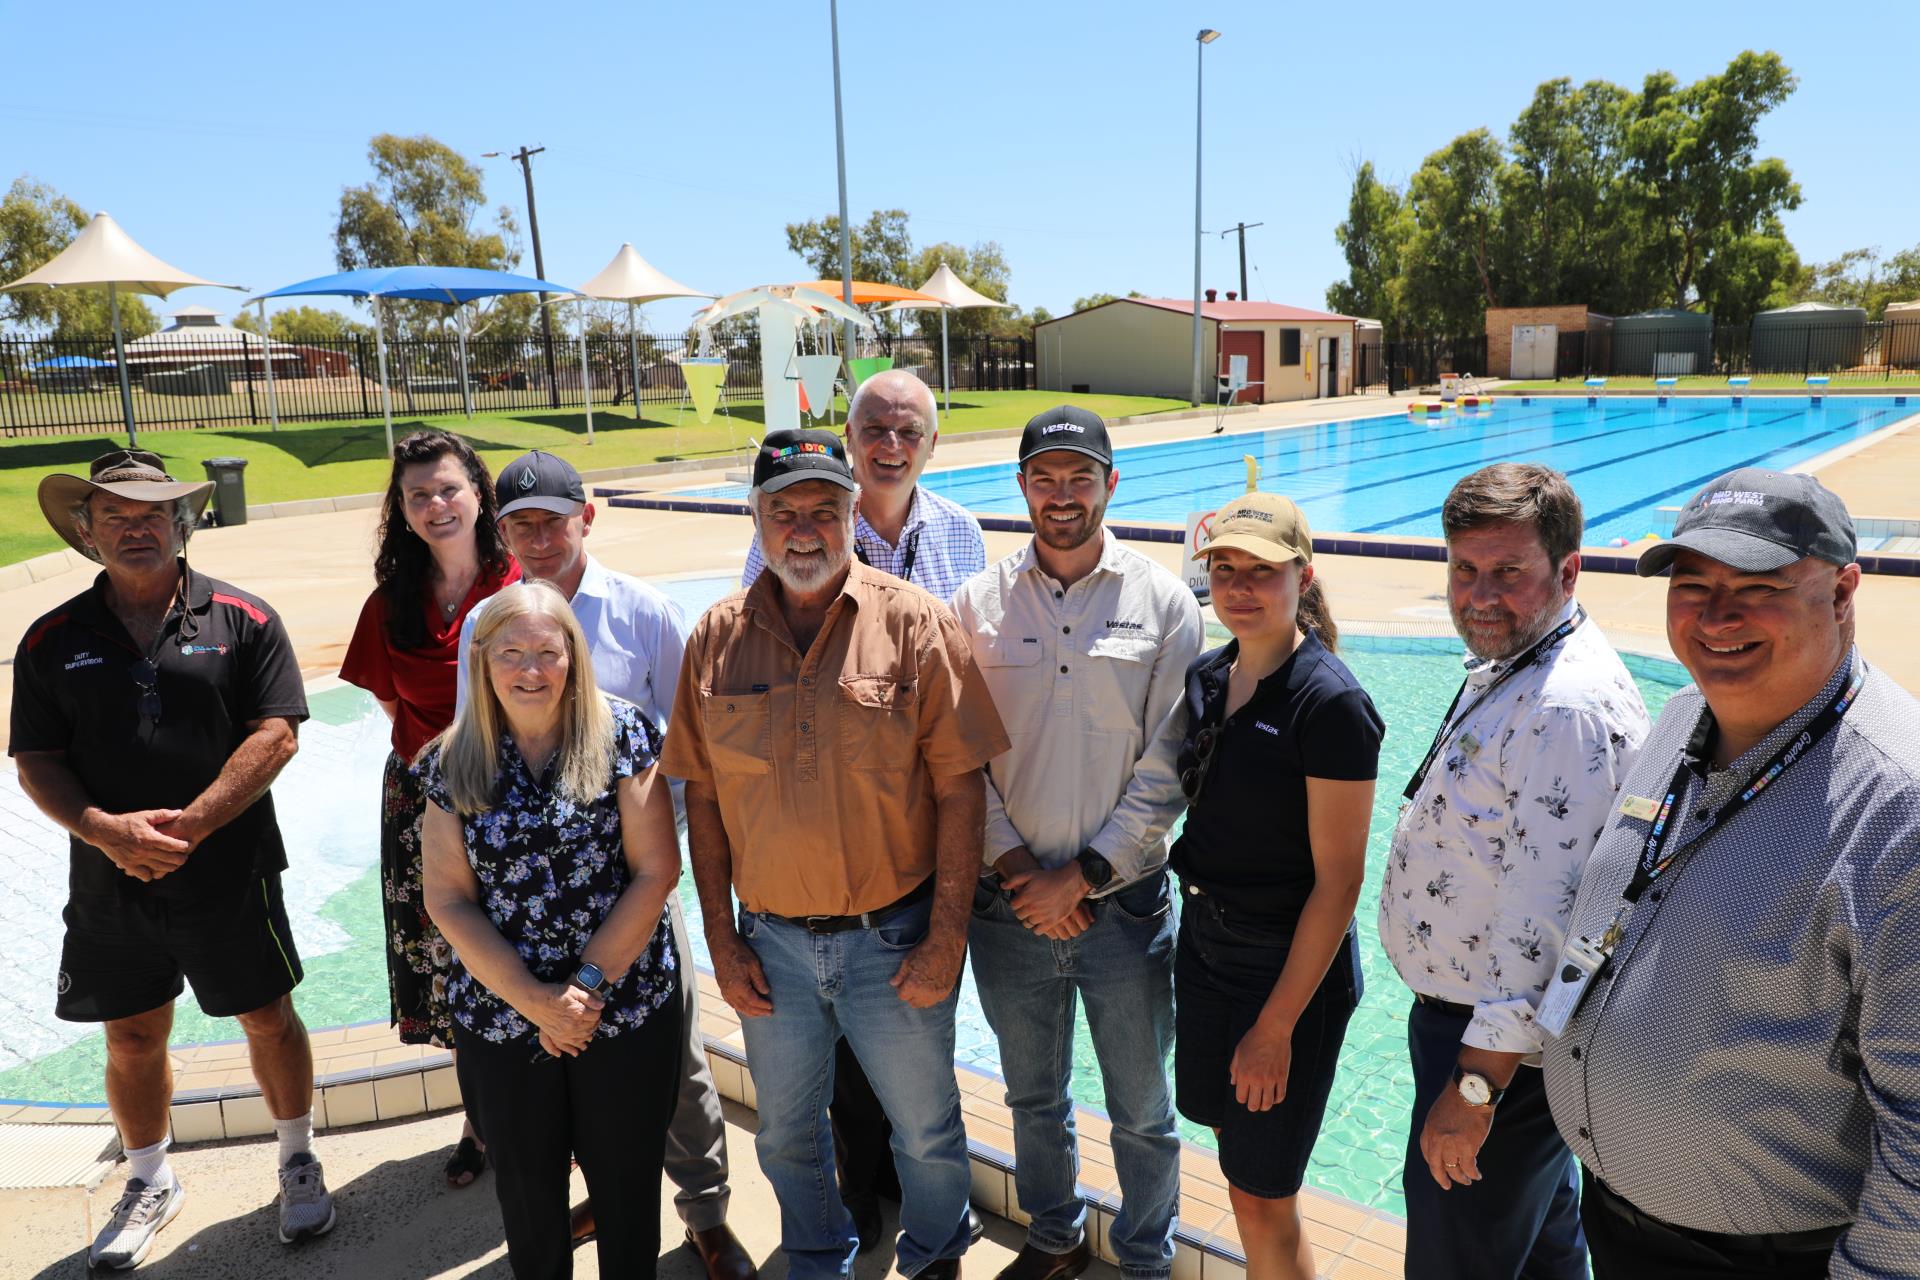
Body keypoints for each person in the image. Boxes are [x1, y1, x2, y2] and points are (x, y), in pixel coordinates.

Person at [1541, 469, 1920, 1280]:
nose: (1717, 616)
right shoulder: (1684, 716)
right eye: (1694, 583)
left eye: (1759, 586)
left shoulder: (1899, 812)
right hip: (1619, 1218)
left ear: (1845, 590)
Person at [661, 427, 1009, 1280]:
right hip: (770, 942)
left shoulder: (916, 624)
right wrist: (721, 935)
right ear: (756, 520)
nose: (805, 529)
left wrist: (946, 938)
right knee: (785, 1131)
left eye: (825, 508)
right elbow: (701, 795)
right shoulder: (714, 637)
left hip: (893, 937)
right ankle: (818, 1258)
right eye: (785, 511)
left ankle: (934, 1258)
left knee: (925, 1128)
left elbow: (963, 789)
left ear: (855, 513)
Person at [11, 450, 334, 1267]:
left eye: (152, 513)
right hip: (109, 877)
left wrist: (189, 826)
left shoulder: (245, 619)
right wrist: (106, 831)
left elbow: (278, 733)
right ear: (86, 531)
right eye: (114, 516)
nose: (134, 528)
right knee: (129, 1034)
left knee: (267, 1016)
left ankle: (297, 1158)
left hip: (231, 871)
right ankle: (150, 1178)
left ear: (182, 523)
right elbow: (36, 758)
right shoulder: (51, 639)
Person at [456, 449, 754, 1280]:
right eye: (520, 524)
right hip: (525, 922)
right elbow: (471, 766)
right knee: (569, 1107)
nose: (539, 537)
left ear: (586, 515)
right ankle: (604, 1190)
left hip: (638, 886)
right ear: (502, 532)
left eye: (553, 519)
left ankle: (704, 1215)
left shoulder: (645, 612)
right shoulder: (492, 626)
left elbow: (686, 745)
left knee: (681, 1073)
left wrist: (656, 867)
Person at [1378, 463, 1649, 1280]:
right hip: (1492, 1042)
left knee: (1459, 1255)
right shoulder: (1524, 661)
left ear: (1568, 571)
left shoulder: (1565, 706)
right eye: (1464, 569)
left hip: (1498, 1053)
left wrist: (1475, 1094)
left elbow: (1550, 917)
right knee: (1539, 1251)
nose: (1478, 595)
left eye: (1508, 573)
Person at [950, 405, 1202, 1280]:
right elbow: (960, 760)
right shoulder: (977, 604)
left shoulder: (1165, 602)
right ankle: (1054, 1239)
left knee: (1140, 1106)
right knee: (1033, 1098)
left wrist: (1086, 876)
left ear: (1110, 485)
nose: (1063, 494)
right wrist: (1022, 870)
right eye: (1045, 477)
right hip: (1006, 905)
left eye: (1080, 476)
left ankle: (1144, 1258)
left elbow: (1171, 762)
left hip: (1124, 909)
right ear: (1021, 486)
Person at [742, 368, 988, 1250]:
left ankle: (931, 1240)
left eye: (908, 431)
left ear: (932, 443)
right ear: (850, 440)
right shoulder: (786, 544)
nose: (891, 445)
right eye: (875, 429)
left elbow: (966, 707)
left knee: (920, 1091)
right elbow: (759, 663)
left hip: (909, 854)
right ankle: (859, 1210)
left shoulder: (959, 538)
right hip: (814, 860)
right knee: (832, 1092)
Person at [419, 580, 683, 1280]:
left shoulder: (623, 733)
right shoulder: (451, 760)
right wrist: (535, 1001)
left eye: (547, 651)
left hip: (623, 1010)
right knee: (530, 1200)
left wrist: (583, 989)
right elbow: (447, 899)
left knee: (628, 1194)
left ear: (574, 657)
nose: (530, 671)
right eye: (511, 653)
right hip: (505, 1020)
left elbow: (656, 871)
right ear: (483, 663)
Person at [1172, 492, 1382, 1280]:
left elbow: (1340, 883)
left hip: (1284, 971)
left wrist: (1275, 1028)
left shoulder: (1329, 703)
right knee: (1241, 1171)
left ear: (1303, 575)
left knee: (1264, 1192)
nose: (1239, 587)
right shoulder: (1208, 674)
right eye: (1225, 569)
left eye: (1262, 572)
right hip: (1206, 949)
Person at [339, 429, 519, 1188]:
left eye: (449, 488)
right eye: (419, 495)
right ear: (403, 510)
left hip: (516, 800)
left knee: (524, 954)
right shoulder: (392, 604)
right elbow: (390, 700)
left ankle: (542, 1116)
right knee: (451, 967)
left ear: (478, 492)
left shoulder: (520, 580)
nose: (436, 505)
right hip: (422, 801)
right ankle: (481, 1122)